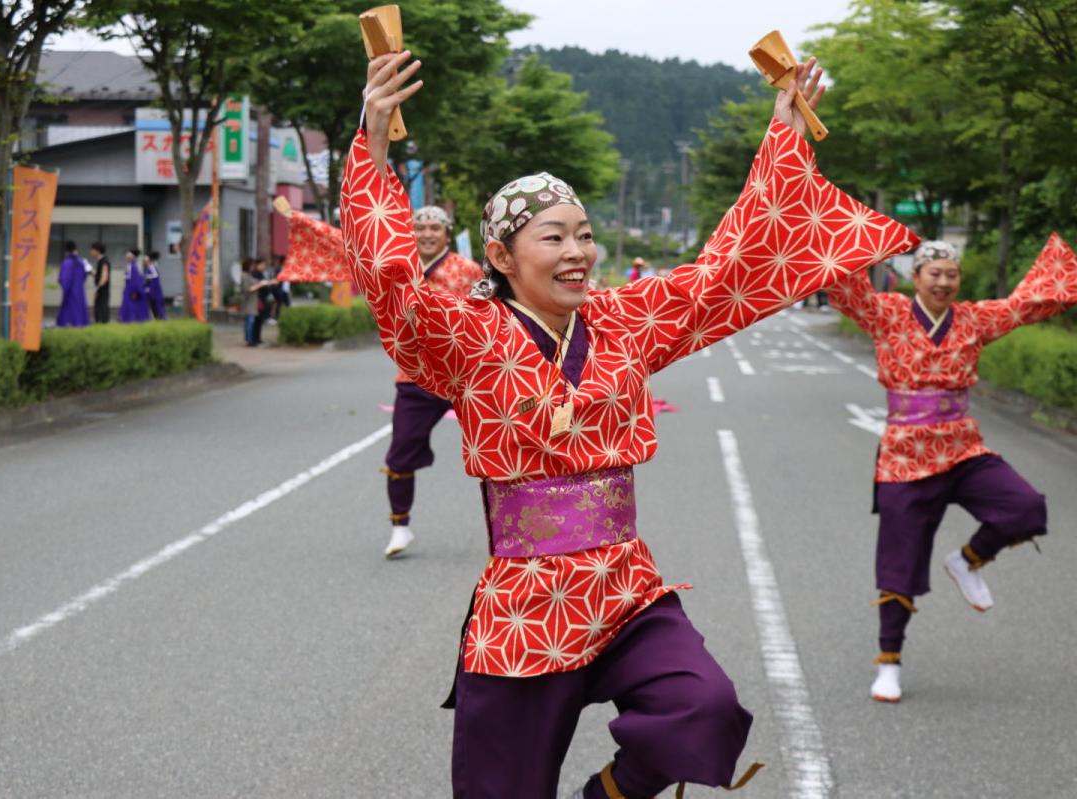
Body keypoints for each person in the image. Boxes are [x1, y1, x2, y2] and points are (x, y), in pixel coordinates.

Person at [344, 50, 917, 798]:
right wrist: (374, 143)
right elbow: (392, 287)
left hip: (623, 588)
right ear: (501, 256)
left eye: (584, 234)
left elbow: (725, 270)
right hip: (526, 606)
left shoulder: (623, 320)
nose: (579, 252)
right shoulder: (466, 334)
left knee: (703, 708)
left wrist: (783, 138)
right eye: (553, 237)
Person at [826, 237, 1077, 704]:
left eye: (951, 274)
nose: (944, 282)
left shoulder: (974, 319)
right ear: (915, 277)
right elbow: (844, 289)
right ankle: (889, 663)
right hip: (905, 456)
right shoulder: (887, 313)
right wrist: (829, 234)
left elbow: (1027, 304)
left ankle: (967, 560)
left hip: (962, 446)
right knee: (898, 567)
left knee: (1025, 506)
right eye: (934, 274)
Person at [380, 203, 484, 558]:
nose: (426, 234)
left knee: (495, 450)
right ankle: (400, 528)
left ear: (446, 233)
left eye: (434, 228)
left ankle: (507, 530)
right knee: (400, 452)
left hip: (464, 375)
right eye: (420, 227)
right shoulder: (399, 269)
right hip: (415, 374)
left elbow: (489, 314)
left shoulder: (467, 270)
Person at [56, 241, 90, 327]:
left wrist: (64, 286)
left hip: (70, 289)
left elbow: (64, 277)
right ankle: (80, 322)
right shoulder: (81, 261)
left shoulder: (67, 262)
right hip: (79, 288)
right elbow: (85, 275)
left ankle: (68, 322)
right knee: (79, 305)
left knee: (69, 306)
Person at [117, 248, 150, 323]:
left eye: (128, 255)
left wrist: (135, 291)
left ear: (132, 257)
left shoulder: (133, 266)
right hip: (129, 289)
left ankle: (130, 321)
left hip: (131, 290)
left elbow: (135, 280)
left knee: (131, 307)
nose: (126, 257)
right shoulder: (131, 265)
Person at [91, 242, 112, 323]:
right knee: (99, 306)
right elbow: (99, 275)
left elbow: (104, 277)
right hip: (102, 288)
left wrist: (98, 289)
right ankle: (100, 323)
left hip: (103, 289)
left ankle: (102, 323)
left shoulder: (104, 261)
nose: (91, 252)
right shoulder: (101, 261)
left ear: (97, 251)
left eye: (92, 250)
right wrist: (90, 271)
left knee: (101, 306)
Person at [144, 250, 167, 320]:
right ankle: (158, 318)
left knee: (156, 306)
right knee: (153, 307)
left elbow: (155, 277)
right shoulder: (150, 267)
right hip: (151, 290)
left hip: (153, 291)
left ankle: (160, 318)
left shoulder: (152, 267)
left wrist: (148, 280)